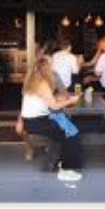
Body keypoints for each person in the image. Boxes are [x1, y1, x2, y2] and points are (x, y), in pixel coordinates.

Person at [20, 54, 85, 182]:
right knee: (71, 133)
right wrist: (71, 100)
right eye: (51, 65)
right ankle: (66, 170)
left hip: (34, 120)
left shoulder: (34, 80)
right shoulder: (43, 83)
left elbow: (46, 100)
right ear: (45, 68)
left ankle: (59, 162)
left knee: (68, 127)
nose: (53, 68)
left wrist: (60, 99)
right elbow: (54, 106)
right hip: (38, 122)